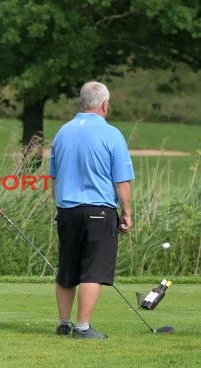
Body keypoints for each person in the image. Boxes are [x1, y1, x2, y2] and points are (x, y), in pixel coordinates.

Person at [49, 81, 134, 339]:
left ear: (82, 102)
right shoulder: (112, 135)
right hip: (98, 210)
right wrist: (127, 213)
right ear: (104, 105)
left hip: (67, 210)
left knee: (67, 269)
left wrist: (60, 206)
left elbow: (54, 178)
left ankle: (64, 323)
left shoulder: (62, 132)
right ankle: (83, 327)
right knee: (92, 271)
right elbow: (121, 181)